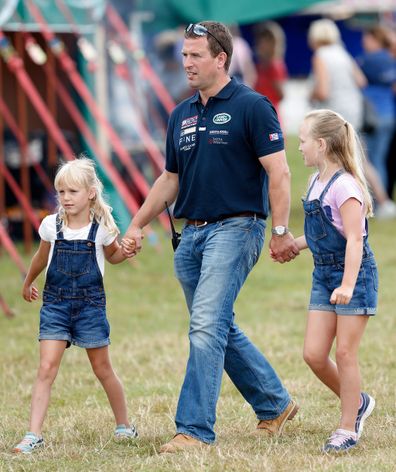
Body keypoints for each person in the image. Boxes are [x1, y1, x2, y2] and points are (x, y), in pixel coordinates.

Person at [121, 21, 300, 453]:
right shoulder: (180, 114)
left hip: (238, 228)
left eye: (195, 55)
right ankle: (275, 403)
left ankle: (194, 430)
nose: (186, 62)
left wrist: (279, 231)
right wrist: (137, 223)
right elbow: (169, 179)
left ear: (220, 58)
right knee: (217, 325)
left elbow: (279, 171)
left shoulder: (252, 106)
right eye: (184, 55)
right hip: (191, 238)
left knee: (205, 325)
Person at [13, 158, 138, 454]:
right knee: (46, 368)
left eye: (72, 192)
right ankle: (33, 434)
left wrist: (128, 250)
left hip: (90, 308)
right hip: (55, 306)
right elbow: (42, 258)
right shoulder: (50, 225)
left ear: (90, 193)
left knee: (102, 368)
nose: (66, 198)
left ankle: (124, 425)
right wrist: (28, 280)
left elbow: (114, 258)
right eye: (61, 192)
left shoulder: (102, 229)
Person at [294, 109, 377, 453]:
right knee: (314, 355)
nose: (298, 148)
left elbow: (355, 240)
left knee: (344, 353)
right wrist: (294, 245)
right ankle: (357, 401)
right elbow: (323, 232)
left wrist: (346, 284)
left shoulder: (345, 186)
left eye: (302, 141)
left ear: (322, 145)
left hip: (352, 277)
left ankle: (347, 427)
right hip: (323, 274)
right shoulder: (316, 182)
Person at [308, 18, 396, 219]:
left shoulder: (321, 56)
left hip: (335, 114)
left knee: (335, 159)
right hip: (353, 113)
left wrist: (310, 95)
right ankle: (375, 201)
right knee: (359, 159)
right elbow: (361, 81)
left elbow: (322, 90)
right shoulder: (343, 53)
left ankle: (374, 201)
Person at [358, 25, 395, 191]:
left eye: (366, 38)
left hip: (373, 115)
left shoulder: (367, 60)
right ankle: (384, 197)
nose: (363, 42)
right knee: (381, 157)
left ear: (374, 39)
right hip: (389, 114)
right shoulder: (390, 59)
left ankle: (378, 201)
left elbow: (358, 80)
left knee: (372, 160)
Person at [254, 21, 288, 119]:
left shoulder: (274, 65)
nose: (260, 45)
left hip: (269, 113)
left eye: (263, 42)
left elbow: (281, 94)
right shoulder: (261, 65)